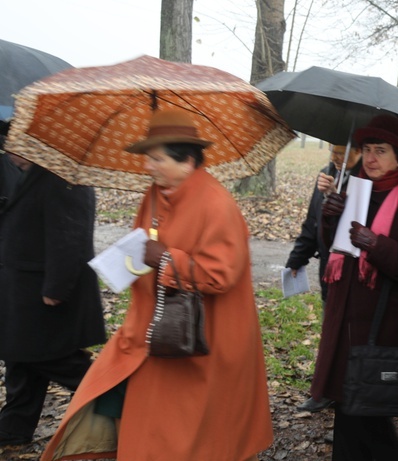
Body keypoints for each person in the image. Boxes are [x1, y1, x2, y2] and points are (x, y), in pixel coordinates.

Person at [41, 109, 273, 460]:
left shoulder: (217, 204)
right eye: (148, 158)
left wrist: (166, 258)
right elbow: (142, 245)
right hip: (153, 329)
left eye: (157, 158)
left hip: (203, 339)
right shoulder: (154, 194)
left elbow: (221, 274)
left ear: (188, 160)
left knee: (190, 432)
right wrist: (128, 260)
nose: (148, 166)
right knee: (140, 414)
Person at [310, 114, 398, 460]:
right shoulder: (354, 188)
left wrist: (376, 244)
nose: (370, 159)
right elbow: (334, 249)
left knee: (368, 412)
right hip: (343, 320)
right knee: (348, 409)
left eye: (380, 150)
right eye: (366, 149)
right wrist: (330, 217)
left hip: (382, 325)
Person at [0, 153, 105, 447]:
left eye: (16, 146)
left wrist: (56, 288)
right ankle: (14, 427)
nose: (9, 153)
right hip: (24, 290)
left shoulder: (63, 179)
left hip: (47, 293)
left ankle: (117, 398)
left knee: (58, 360)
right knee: (22, 359)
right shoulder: (34, 174)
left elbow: (70, 236)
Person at [286, 143, 362, 413]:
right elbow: (312, 222)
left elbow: (357, 225)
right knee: (330, 329)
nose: (336, 158)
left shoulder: (366, 181)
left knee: (350, 333)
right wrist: (298, 258)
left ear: (360, 151)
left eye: (344, 152)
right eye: (333, 151)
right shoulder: (325, 175)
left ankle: (349, 395)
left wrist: (337, 196)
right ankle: (326, 390)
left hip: (354, 270)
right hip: (328, 267)